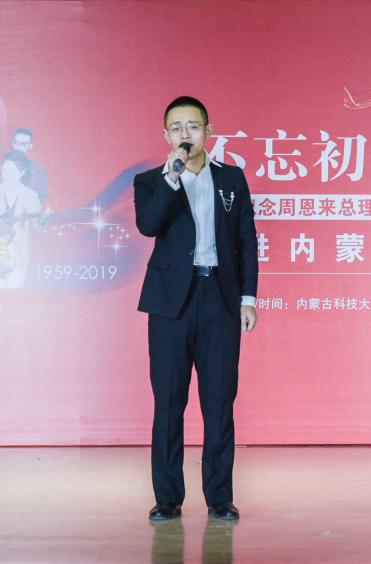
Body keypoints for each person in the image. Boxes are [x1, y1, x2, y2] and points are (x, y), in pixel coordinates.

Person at [134, 96, 259, 522]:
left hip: (219, 299)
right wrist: (173, 179)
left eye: (192, 126)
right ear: (165, 136)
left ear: (209, 131)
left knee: (219, 401)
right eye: (177, 128)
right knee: (168, 401)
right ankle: (167, 498)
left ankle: (219, 498)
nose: (185, 134)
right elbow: (148, 225)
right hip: (170, 304)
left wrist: (247, 299)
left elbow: (246, 240)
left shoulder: (232, 178)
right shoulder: (151, 181)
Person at [0, 150, 43, 288]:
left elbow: (37, 226)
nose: (8, 174)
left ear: (22, 172)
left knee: (15, 289)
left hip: (20, 253)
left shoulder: (31, 196)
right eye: (5, 170)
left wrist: (44, 220)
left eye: (13, 170)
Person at [9, 128, 49, 205]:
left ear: (30, 146)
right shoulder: (1, 167)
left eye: (23, 144)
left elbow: (42, 197)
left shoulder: (39, 170)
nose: (18, 147)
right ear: (13, 144)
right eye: (16, 143)